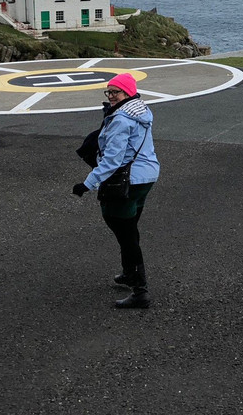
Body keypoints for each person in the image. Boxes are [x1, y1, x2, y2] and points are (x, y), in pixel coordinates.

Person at [72, 73, 159, 309]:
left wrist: (87, 184)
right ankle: (129, 273)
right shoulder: (140, 112)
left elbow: (112, 160)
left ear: (128, 93)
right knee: (129, 227)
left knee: (122, 229)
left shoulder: (121, 119)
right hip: (146, 177)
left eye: (115, 92)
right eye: (108, 92)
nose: (111, 96)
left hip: (129, 180)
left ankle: (140, 290)